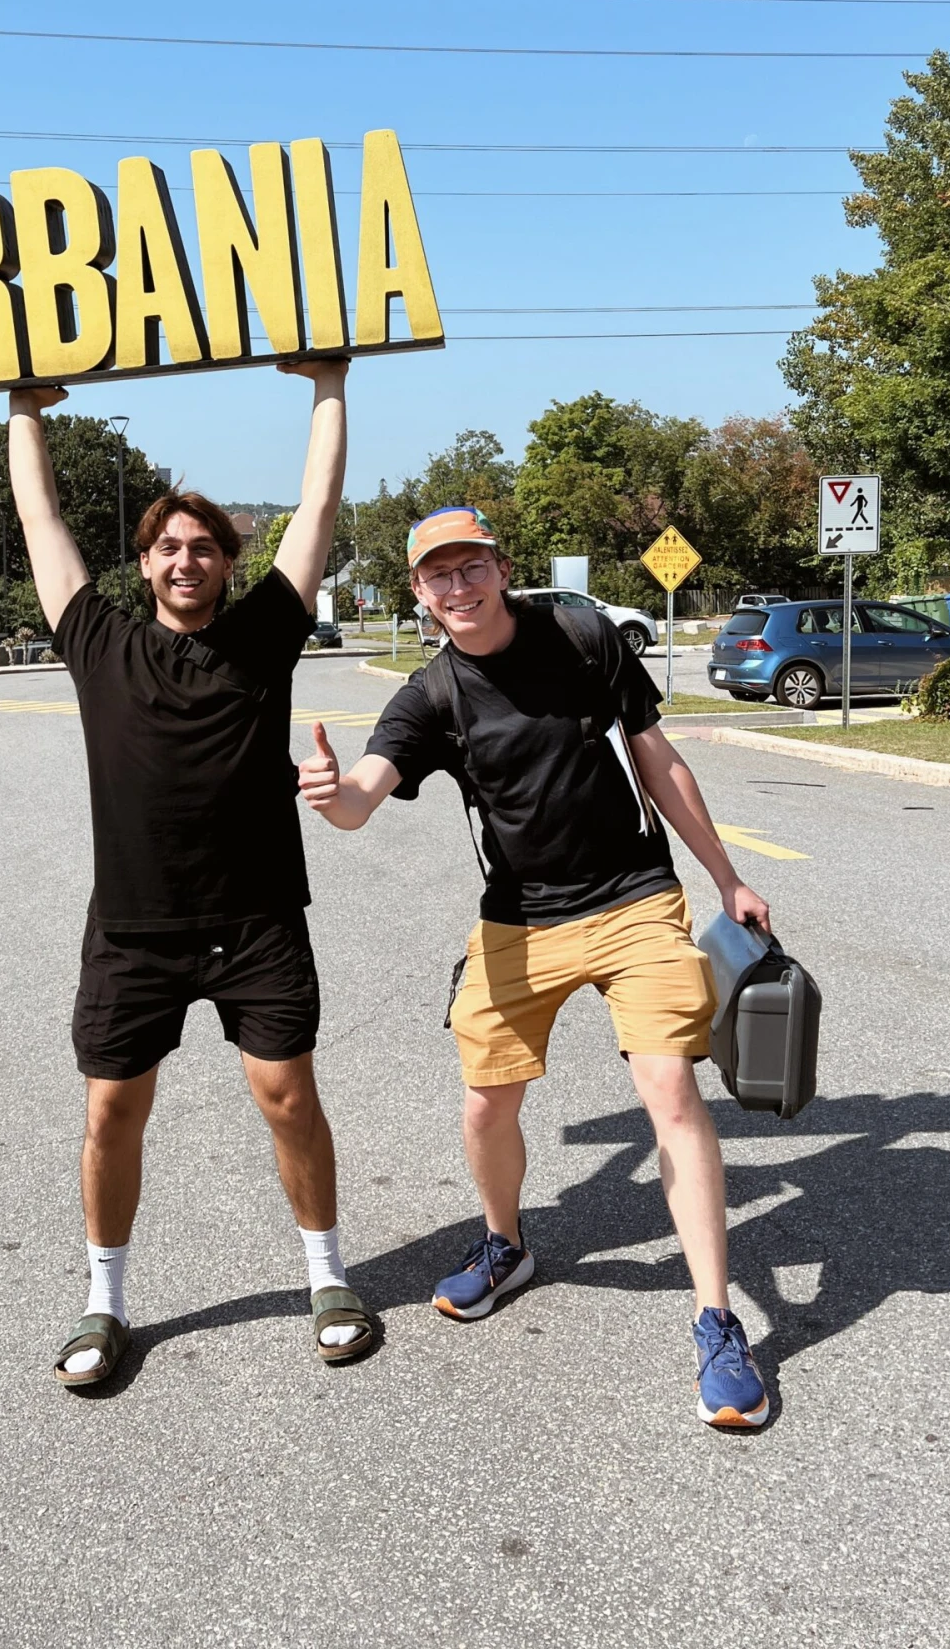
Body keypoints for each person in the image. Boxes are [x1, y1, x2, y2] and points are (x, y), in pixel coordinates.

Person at [298, 506, 773, 1427]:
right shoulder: (432, 695)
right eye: (438, 575)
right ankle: (507, 1244)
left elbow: (657, 756)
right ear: (419, 594)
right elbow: (363, 797)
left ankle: (717, 1319)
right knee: (487, 1098)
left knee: (670, 1090)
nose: (458, 586)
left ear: (502, 568)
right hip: (519, 921)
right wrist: (328, 795)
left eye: (471, 566)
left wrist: (726, 876)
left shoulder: (583, 635)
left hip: (635, 896)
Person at [9, 361, 375, 1387]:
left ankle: (327, 1277)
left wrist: (330, 385)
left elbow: (318, 505)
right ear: (143, 565)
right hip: (134, 929)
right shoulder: (98, 642)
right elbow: (41, 524)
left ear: (225, 563)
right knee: (111, 1112)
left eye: (203, 547)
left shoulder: (262, 639)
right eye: (168, 546)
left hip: (257, 921)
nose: (185, 559)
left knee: (286, 1097)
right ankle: (104, 1301)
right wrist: (22, 415)